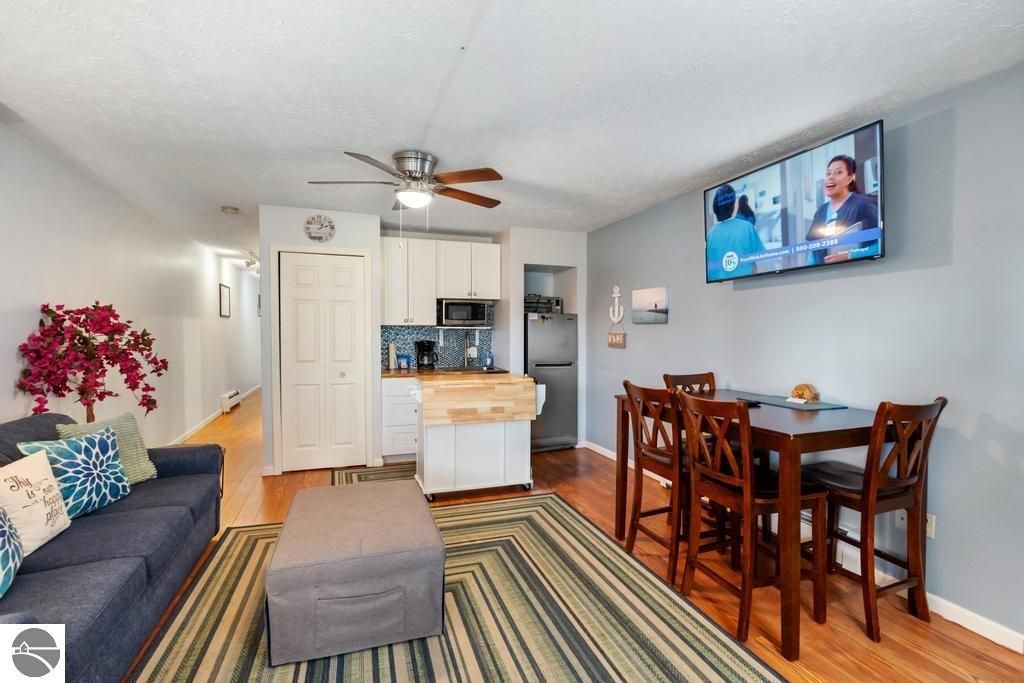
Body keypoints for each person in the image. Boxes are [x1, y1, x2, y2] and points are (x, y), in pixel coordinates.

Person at [805, 155, 879, 264]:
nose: (831, 177)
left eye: (838, 172)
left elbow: (880, 245)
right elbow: (812, 252)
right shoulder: (820, 212)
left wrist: (850, 255)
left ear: (850, 178)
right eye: (828, 173)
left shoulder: (863, 204)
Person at [706, 184, 766, 281]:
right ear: (733, 205)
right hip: (746, 284)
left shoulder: (710, 234)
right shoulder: (747, 228)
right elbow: (761, 260)